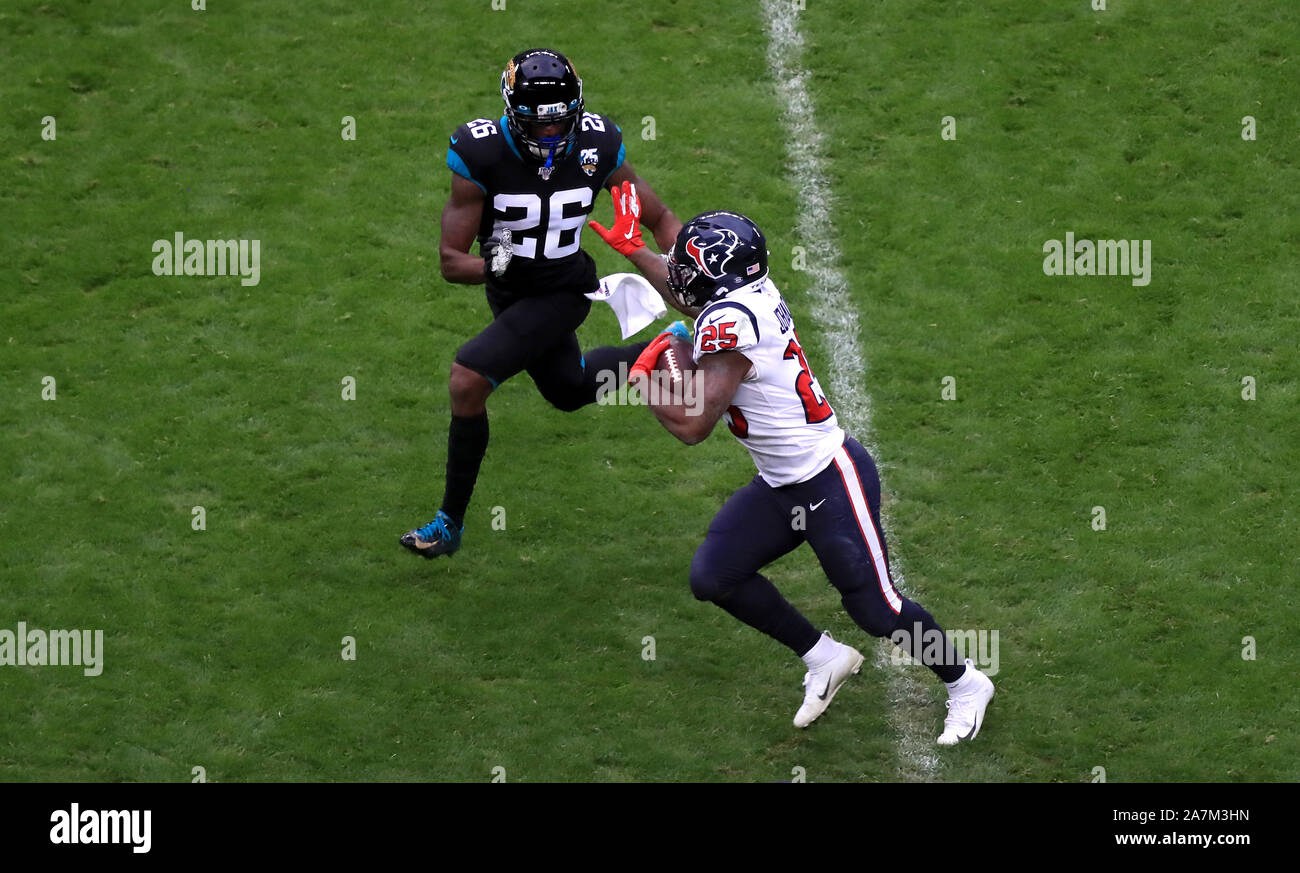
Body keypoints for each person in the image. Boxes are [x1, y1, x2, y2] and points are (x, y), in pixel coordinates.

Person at [592, 200, 994, 742]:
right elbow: (691, 299)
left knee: (877, 610)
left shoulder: (731, 324)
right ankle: (824, 657)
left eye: (687, 270)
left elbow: (692, 424)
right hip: (783, 484)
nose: (680, 280)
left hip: (829, 477)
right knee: (714, 576)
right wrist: (634, 250)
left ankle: (966, 683)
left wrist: (644, 378)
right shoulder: (741, 295)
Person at [401, 48, 683, 559]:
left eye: (561, 124)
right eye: (539, 125)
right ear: (512, 114)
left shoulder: (599, 143)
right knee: (570, 389)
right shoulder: (479, 153)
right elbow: (450, 261)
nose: (552, 136)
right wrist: (499, 265)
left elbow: (659, 216)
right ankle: (665, 348)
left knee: (468, 379)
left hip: (564, 290)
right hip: (509, 290)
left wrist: (693, 273)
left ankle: (449, 524)